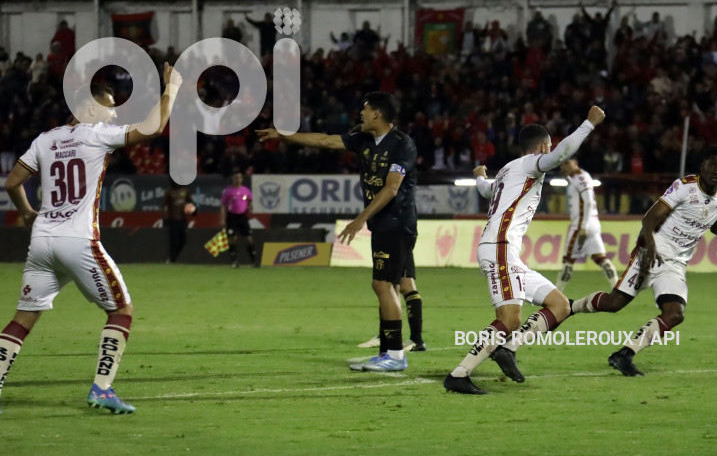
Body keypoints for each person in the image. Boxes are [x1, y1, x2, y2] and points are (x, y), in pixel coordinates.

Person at [0, 63, 182, 414]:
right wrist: (171, 89)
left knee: (23, 317)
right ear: (87, 107)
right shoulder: (96, 135)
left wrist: (27, 213)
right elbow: (155, 127)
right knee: (122, 310)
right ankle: (102, 389)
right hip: (77, 241)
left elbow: (12, 182)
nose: (113, 113)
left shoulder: (45, 139)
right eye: (108, 107)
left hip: (42, 242)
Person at [569, 146, 717, 376]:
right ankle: (570, 306)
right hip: (652, 253)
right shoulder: (685, 186)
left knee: (675, 314)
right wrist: (649, 247)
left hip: (675, 264)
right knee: (613, 304)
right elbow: (650, 218)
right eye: (713, 165)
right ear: (703, 167)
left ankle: (624, 355)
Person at [443, 106, 606, 395]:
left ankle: (508, 349)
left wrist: (480, 176)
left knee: (560, 305)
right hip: (500, 248)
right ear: (542, 147)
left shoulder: (508, 170)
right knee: (510, 319)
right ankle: (459, 374)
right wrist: (589, 124)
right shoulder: (530, 164)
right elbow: (561, 154)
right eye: (548, 148)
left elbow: (486, 191)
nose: (550, 154)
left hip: (506, 252)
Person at [256, 92, 424, 372]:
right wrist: (283, 135)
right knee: (386, 285)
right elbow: (324, 140)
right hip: (383, 224)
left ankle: (395, 356)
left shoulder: (402, 144)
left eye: (365, 109)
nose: (361, 113)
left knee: (384, 285)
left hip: (397, 223)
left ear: (377, 114)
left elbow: (392, 187)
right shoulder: (364, 139)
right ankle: (386, 352)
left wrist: (359, 219)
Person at [555, 158, 618, 292]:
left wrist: (583, 227)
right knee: (601, 259)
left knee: (568, 261)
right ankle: (618, 289)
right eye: (562, 164)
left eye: (567, 163)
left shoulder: (580, 178)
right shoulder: (580, 177)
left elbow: (588, 201)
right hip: (593, 223)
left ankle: (557, 293)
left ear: (575, 162)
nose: (563, 167)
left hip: (581, 224)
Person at [220, 172, 256, 268]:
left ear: (242, 179)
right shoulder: (227, 191)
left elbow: (249, 201)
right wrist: (222, 219)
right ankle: (234, 261)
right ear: (233, 179)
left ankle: (254, 261)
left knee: (249, 238)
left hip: (243, 216)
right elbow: (223, 206)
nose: (238, 179)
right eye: (236, 177)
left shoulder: (246, 190)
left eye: (240, 177)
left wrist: (249, 207)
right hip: (232, 216)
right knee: (232, 238)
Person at [163, 180, 195, 263]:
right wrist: (165, 218)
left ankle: (175, 257)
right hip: (173, 220)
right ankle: (172, 259)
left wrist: (191, 210)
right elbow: (165, 206)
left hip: (183, 220)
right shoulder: (169, 192)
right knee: (174, 241)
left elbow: (190, 203)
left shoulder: (185, 191)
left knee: (183, 241)